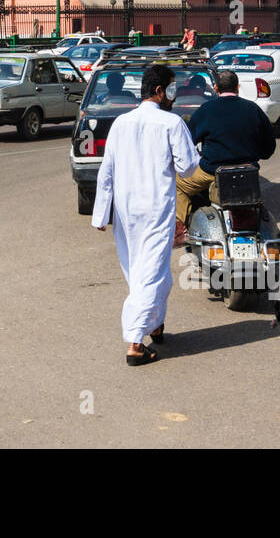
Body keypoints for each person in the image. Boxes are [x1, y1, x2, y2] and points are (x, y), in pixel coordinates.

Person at [92, 65, 200, 366]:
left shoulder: (121, 123)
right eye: (172, 86)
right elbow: (188, 168)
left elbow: (107, 171)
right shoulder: (172, 123)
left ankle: (155, 323)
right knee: (149, 275)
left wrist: (101, 214)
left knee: (146, 273)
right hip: (155, 210)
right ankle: (136, 343)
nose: (174, 93)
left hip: (126, 213)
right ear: (159, 91)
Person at [175, 70, 275, 246]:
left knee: (177, 184)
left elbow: (188, 141)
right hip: (248, 173)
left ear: (215, 88)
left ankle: (179, 231)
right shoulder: (253, 109)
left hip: (212, 172)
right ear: (237, 87)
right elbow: (269, 148)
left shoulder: (207, 109)